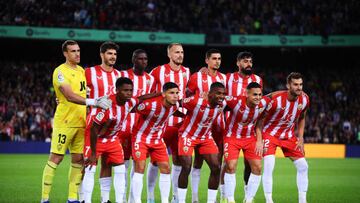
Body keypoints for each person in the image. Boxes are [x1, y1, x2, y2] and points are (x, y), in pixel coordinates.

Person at [40, 40, 111, 203]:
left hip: (81, 122)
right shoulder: (60, 71)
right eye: (73, 51)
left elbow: (85, 92)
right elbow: (70, 95)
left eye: (78, 50)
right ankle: (44, 199)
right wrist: (94, 102)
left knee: (78, 160)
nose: (77, 53)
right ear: (65, 53)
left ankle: (72, 199)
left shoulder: (81, 71)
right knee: (56, 158)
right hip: (64, 122)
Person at [84, 77, 138, 203]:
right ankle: (86, 200)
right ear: (117, 90)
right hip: (96, 139)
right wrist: (92, 152)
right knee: (90, 169)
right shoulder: (107, 105)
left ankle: (115, 201)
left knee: (120, 169)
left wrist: (160, 94)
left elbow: (142, 98)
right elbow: (93, 129)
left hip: (113, 139)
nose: (129, 93)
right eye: (125, 90)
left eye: (131, 90)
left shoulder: (129, 102)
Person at [149, 43, 190, 203]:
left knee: (178, 160)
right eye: (176, 52)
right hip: (161, 124)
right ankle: (151, 196)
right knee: (154, 160)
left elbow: (188, 94)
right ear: (169, 54)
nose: (180, 55)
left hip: (180, 124)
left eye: (181, 52)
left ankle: (175, 197)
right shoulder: (158, 71)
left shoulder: (187, 72)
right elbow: (150, 93)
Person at [81, 41, 122, 203]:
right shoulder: (89, 72)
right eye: (109, 53)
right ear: (102, 55)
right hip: (93, 124)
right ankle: (83, 198)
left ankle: (105, 200)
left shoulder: (119, 75)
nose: (112, 57)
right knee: (88, 164)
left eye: (115, 54)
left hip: (112, 127)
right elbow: (78, 93)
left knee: (107, 164)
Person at [259, 72, 309, 203]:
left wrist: (301, 137)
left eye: (301, 84)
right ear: (288, 85)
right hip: (270, 134)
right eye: (295, 84)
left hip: (288, 136)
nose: (299, 87)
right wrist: (258, 137)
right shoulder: (275, 99)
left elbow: (302, 117)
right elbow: (260, 115)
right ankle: (269, 200)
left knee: (303, 166)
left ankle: (303, 200)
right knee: (269, 165)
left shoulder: (305, 99)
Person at [186, 49, 226, 203]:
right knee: (197, 161)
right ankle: (195, 197)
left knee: (218, 162)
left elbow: (226, 98)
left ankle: (218, 197)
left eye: (219, 58)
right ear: (207, 60)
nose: (217, 61)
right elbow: (187, 95)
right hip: (200, 125)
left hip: (218, 124)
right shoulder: (197, 77)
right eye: (214, 58)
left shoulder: (224, 78)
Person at [131, 82, 182, 203]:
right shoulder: (150, 105)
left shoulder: (175, 106)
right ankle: (137, 200)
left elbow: (172, 112)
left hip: (157, 140)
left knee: (166, 168)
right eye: (171, 93)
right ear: (163, 94)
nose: (175, 96)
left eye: (177, 93)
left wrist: (186, 116)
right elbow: (132, 107)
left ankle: (165, 200)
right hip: (140, 138)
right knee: (140, 167)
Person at [177, 82, 226, 203]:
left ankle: (211, 201)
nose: (221, 96)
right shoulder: (195, 102)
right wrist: (181, 117)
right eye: (218, 93)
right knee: (186, 167)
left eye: (223, 94)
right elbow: (176, 103)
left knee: (216, 167)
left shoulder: (222, 104)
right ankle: (181, 200)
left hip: (205, 138)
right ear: (210, 94)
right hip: (188, 136)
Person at [225, 51, 263, 201]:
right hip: (230, 129)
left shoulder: (258, 80)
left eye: (250, 61)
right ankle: (226, 197)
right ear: (238, 63)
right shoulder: (228, 78)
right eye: (245, 61)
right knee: (228, 165)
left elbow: (261, 106)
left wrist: (259, 138)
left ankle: (248, 197)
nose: (249, 64)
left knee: (253, 166)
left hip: (249, 133)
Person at [223, 82, 270, 203]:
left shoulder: (263, 103)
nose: (258, 97)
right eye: (255, 94)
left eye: (260, 94)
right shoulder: (235, 101)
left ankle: (248, 199)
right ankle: (230, 199)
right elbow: (218, 97)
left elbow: (272, 96)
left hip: (250, 138)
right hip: (232, 137)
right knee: (231, 166)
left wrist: (259, 140)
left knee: (258, 168)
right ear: (247, 94)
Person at [120, 49, 155, 202]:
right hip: (124, 127)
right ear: (133, 60)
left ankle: (132, 200)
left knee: (138, 166)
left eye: (145, 59)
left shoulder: (150, 79)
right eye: (140, 59)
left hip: (142, 130)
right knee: (124, 166)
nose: (143, 62)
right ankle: (122, 198)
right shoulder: (123, 76)